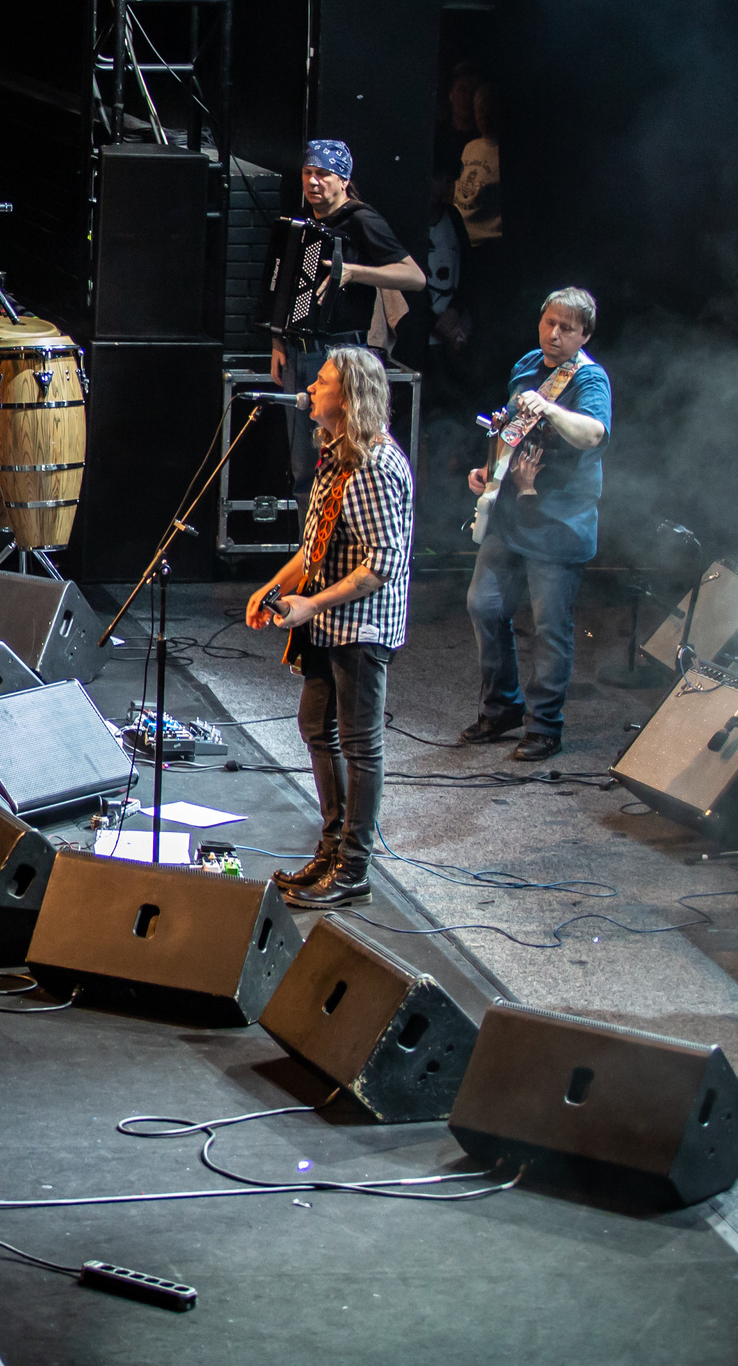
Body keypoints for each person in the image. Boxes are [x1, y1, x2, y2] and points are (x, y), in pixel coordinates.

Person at [245, 347, 413, 911]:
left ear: (350, 397)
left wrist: (311, 606)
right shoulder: (335, 455)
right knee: (317, 727)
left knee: (361, 744)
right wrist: (269, 589)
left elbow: (381, 564)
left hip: (361, 625)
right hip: (329, 622)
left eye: (322, 382)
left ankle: (354, 869)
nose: (310, 389)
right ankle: (331, 851)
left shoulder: (375, 465)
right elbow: (313, 546)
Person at [460, 287, 610, 762]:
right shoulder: (526, 366)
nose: (555, 334)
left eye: (567, 327)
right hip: (512, 513)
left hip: (558, 522)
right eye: (549, 322)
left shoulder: (589, 381)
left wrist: (551, 409)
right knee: (484, 605)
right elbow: (509, 431)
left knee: (550, 628)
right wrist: (489, 471)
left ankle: (545, 726)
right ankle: (502, 706)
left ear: (584, 333)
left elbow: (593, 433)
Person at [267, 141, 424, 502]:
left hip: (340, 353)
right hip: (298, 351)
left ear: (343, 180)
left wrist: (354, 272)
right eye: (308, 173)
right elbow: (285, 286)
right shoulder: (306, 222)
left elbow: (415, 277)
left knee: (341, 454)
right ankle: (312, 552)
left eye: (323, 174)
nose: (313, 181)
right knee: (304, 465)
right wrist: (277, 341)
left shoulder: (360, 219)